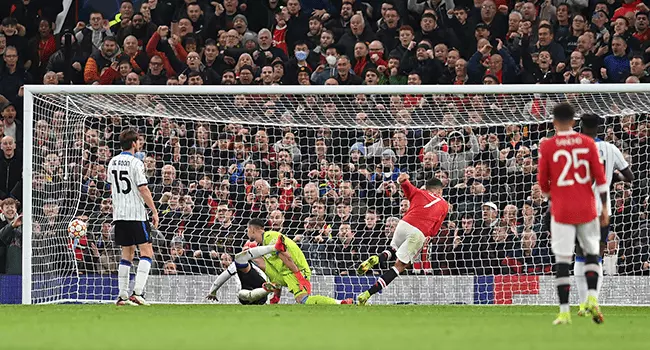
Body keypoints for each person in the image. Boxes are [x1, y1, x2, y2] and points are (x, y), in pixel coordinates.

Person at [537, 103, 608, 325]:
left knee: (563, 260)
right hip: (587, 208)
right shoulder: (588, 143)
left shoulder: (548, 146)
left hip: (562, 209)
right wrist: (604, 208)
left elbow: (542, 183)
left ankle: (564, 311)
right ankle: (593, 301)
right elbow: (601, 179)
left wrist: (553, 196)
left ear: (554, 122)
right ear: (574, 122)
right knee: (591, 254)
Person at [356, 175, 449, 305]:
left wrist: (404, 178)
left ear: (427, 188)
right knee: (399, 266)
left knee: (392, 249)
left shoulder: (418, 192)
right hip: (418, 232)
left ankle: (377, 258)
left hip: (403, 223)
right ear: (440, 191)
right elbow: (435, 229)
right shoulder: (444, 205)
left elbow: (403, 182)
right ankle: (366, 294)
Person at [575, 113, 634, 316]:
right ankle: (594, 300)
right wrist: (612, 176)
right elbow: (630, 176)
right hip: (602, 210)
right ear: (600, 128)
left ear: (581, 126)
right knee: (597, 255)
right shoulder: (610, 149)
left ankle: (582, 304)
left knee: (580, 254)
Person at [245, 218, 354, 305]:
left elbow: (285, 256)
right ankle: (276, 286)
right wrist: (276, 297)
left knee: (303, 300)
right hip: (285, 273)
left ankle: (340, 302)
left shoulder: (270, 236)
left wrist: (300, 277)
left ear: (252, 229)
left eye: (247, 230)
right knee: (252, 256)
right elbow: (273, 266)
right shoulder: (263, 246)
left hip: (297, 270)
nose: (247, 233)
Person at [108, 129, 159, 306]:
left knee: (126, 254)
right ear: (134, 143)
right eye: (138, 141)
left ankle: (122, 296)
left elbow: (111, 188)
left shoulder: (112, 162)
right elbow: (143, 189)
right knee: (147, 252)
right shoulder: (136, 163)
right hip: (136, 214)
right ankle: (137, 293)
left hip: (120, 214)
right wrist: (154, 210)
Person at [207, 241, 283, 305]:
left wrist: (213, 291)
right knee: (242, 294)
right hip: (257, 294)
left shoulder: (240, 262)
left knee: (241, 294)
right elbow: (224, 275)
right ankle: (266, 289)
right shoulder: (267, 262)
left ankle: (266, 289)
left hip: (257, 293)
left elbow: (223, 277)